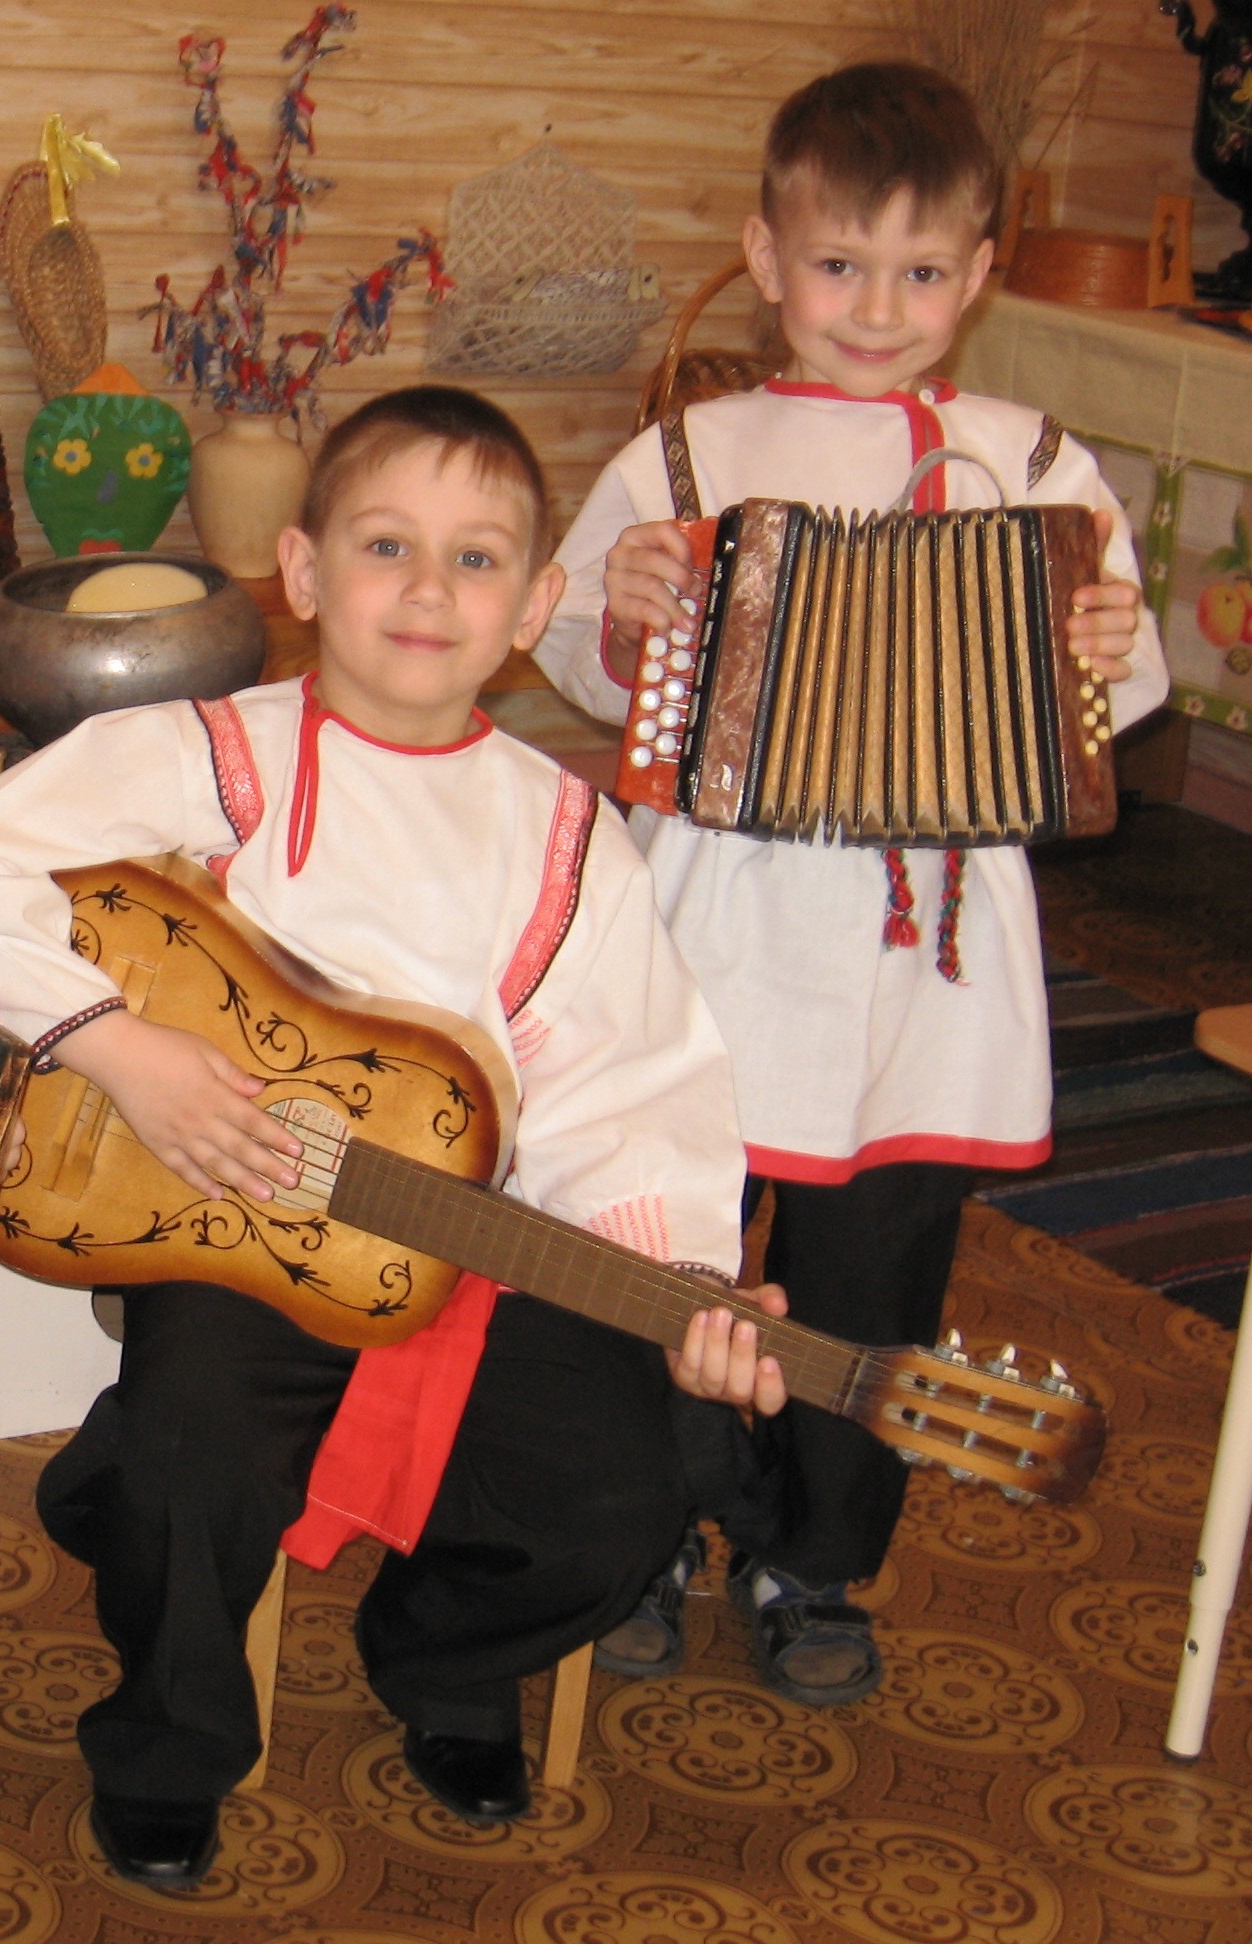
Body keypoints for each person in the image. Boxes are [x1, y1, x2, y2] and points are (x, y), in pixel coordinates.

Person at [0, 385, 788, 1883]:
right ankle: (170, 1738)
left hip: (483, 1237)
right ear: (302, 573)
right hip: (236, 1223)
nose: (428, 590)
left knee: (624, 1498)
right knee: (192, 1460)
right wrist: (122, 1051)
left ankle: (438, 1655)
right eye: (386, 546)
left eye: (477, 559)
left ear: (534, 608)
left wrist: (683, 1282)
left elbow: (629, 1090)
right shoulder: (208, 757)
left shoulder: (570, 838)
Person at [533, 61, 1164, 1709]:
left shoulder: (1034, 463)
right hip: (720, 925)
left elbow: (1114, 692)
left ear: (982, 274)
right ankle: (651, 1529)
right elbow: (583, 653)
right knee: (670, 1248)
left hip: (923, 965)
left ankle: (818, 1557)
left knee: (879, 1273)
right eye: (838, 264)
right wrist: (627, 614)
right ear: (766, 256)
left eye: (924, 271)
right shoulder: (688, 454)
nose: (879, 309)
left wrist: (1108, 646)